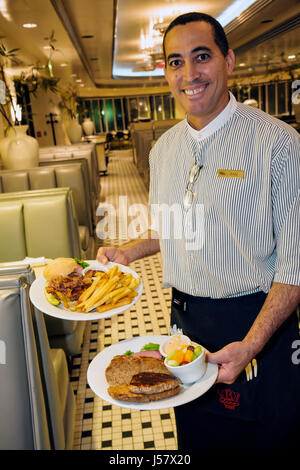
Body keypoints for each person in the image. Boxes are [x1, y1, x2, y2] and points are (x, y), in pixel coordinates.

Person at [97, 12, 300, 450]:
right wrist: (129, 252)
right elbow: (175, 225)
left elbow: (295, 267)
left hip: (258, 325)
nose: (189, 74)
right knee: (198, 437)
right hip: (186, 327)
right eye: (175, 61)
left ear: (229, 60)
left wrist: (249, 344)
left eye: (201, 56)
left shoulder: (279, 144)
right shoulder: (163, 150)